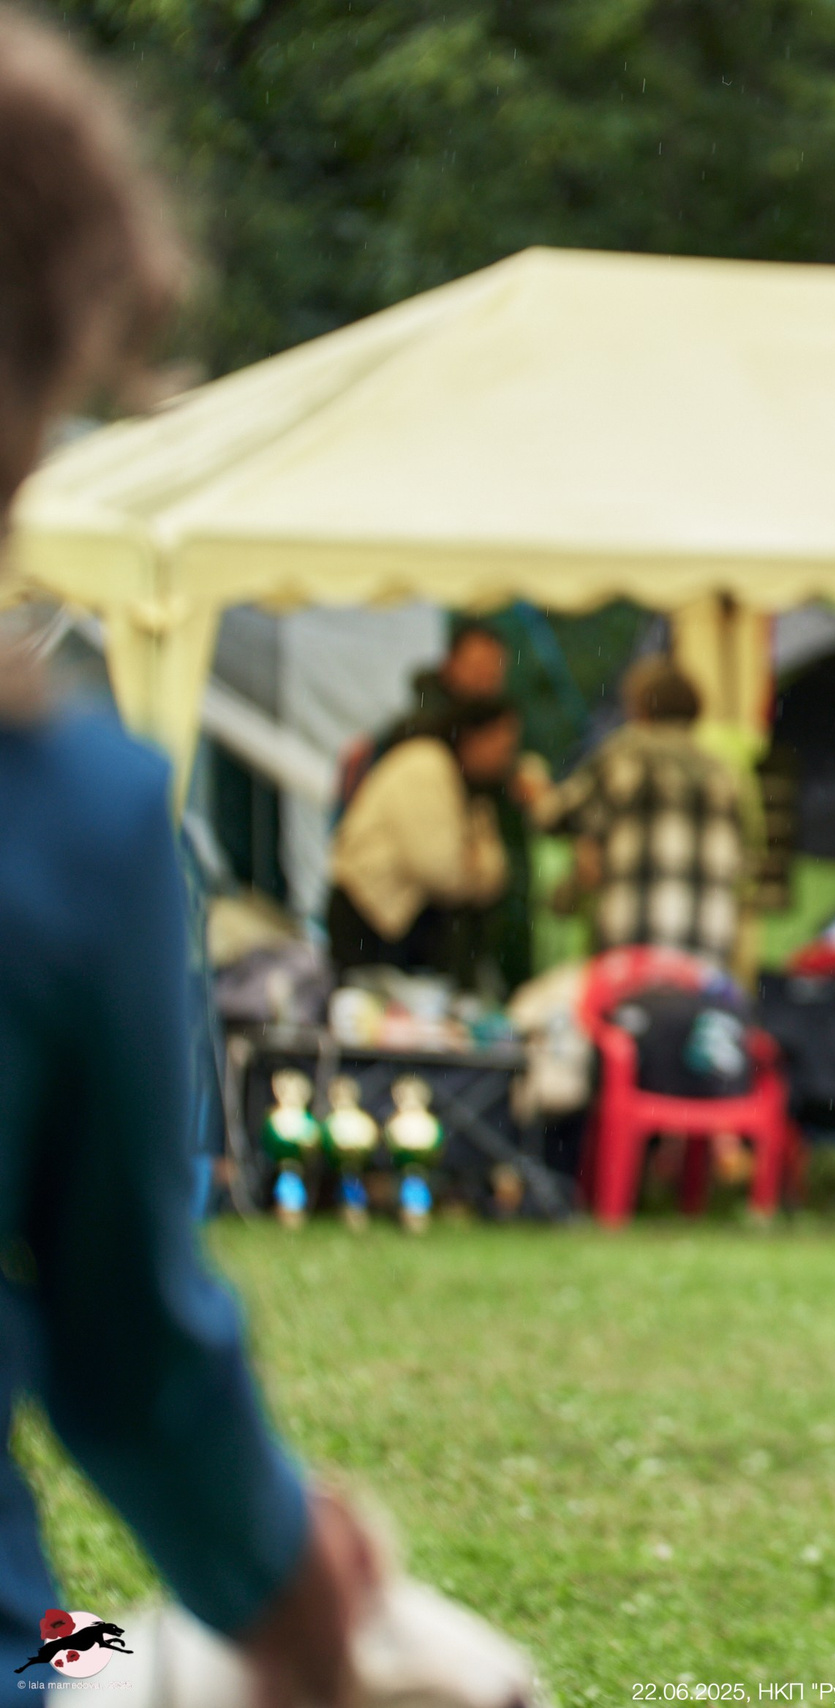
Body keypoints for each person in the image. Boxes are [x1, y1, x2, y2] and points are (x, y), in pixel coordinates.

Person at [0, 6, 372, 1695]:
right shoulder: (64, 822)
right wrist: (302, 1603)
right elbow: (131, 1351)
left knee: (87, 1642)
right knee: (95, 1655)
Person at [536, 657, 744, 964]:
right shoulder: (723, 775)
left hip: (634, 941)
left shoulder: (628, 753)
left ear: (641, 708)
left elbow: (556, 817)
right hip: (708, 947)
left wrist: (537, 793)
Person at [327, 696, 521, 973]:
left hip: (404, 929)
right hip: (366, 918)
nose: (507, 759)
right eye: (503, 747)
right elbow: (441, 871)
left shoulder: (474, 791)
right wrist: (470, 867)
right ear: (474, 738)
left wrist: (469, 866)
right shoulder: (427, 765)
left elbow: (497, 877)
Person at [333, 621, 512, 807]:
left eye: (493, 675)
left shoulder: (497, 739)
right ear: (450, 664)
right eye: (477, 669)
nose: (483, 685)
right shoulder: (418, 735)